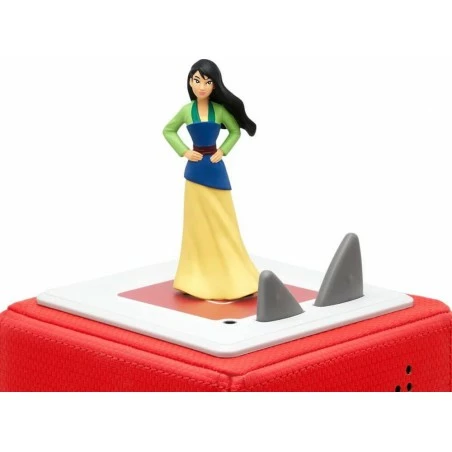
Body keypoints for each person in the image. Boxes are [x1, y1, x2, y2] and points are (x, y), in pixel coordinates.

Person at [163, 59, 259, 300]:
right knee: (196, 227)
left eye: (207, 82)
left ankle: (234, 275)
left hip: (215, 170)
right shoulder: (187, 111)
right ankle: (194, 277)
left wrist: (223, 150)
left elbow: (235, 131)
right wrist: (184, 151)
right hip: (195, 171)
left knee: (224, 222)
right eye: (197, 81)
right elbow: (168, 130)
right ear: (190, 82)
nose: (202, 86)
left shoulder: (220, 110)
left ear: (215, 85)